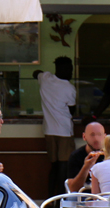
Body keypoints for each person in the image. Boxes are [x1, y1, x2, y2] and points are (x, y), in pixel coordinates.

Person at [33, 56, 77, 195]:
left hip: (49, 130)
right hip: (64, 131)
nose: (71, 73)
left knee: (54, 166)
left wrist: (46, 73)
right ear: (62, 69)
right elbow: (72, 110)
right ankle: (61, 200)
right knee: (64, 167)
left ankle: (51, 197)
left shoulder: (45, 78)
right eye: (69, 69)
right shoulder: (69, 88)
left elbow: (35, 73)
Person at [65, 120, 106, 192]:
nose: (96, 139)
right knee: (72, 198)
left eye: (99, 134)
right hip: (84, 195)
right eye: (92, 135)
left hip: (105, 195)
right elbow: (73, 189)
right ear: (84, 137)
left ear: (104, 137)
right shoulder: (76, 156)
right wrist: (86, 167)